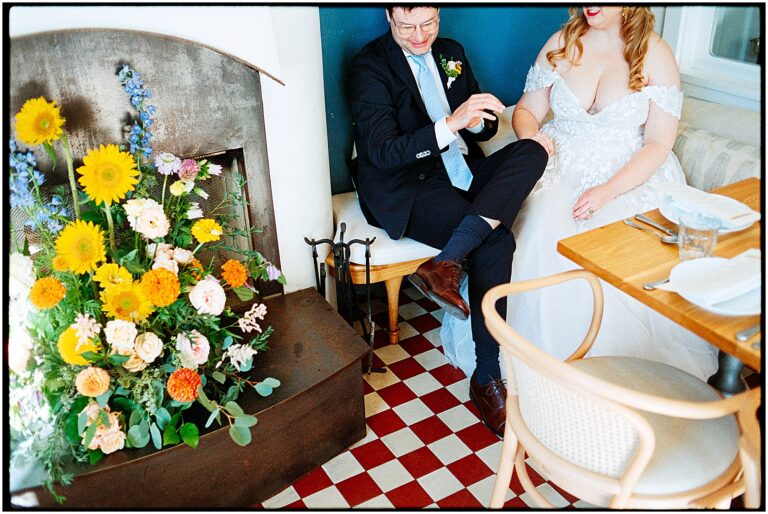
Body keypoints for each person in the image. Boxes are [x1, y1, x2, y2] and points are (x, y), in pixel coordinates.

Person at [441, 6, 718, 381]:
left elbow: (657, 143)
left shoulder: (655, 53)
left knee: (609, 245)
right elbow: (527, 110)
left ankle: (608, 374)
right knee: (534, 229)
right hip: (557, 160)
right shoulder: (561, 43)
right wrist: (532, 143)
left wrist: (607, 191)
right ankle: (511, 360)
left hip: (628, 173)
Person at [347, 6, 549, 436]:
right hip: (408, 186)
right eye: (408, 26)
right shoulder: (369, 66)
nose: (421, 36)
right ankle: (487, 377)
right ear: (388, 16)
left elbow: (483, 134)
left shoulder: (452, 51)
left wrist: (478, 122)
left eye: (429, 23)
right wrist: (449, 124)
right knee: (497, 241)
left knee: (534, 151)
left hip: (463, 175)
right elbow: (382, 152)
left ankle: (447, 259)